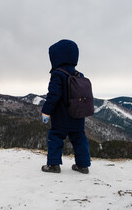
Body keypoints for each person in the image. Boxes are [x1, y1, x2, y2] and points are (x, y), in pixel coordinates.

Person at [41, 39, 91, 174]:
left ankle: (53, 165)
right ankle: (83, 165)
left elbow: (53, 95)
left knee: (55, 137)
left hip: (62, 117)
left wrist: (46, 111)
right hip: (78, 115)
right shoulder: (79, 75)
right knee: (79, 138)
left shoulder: (58, 74)